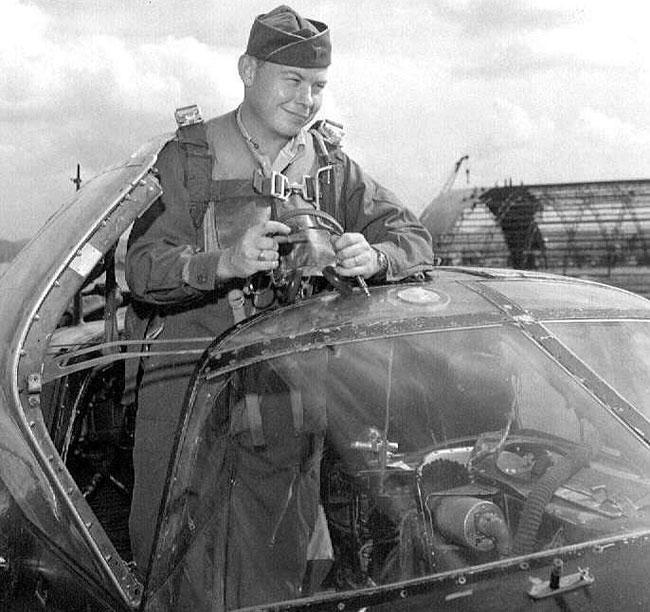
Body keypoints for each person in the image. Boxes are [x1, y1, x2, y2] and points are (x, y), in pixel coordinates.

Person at [124, 3, 435, 603]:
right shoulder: (188, 157)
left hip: (284, 390)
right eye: (292, 81)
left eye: (318, 86)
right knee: (175, 550)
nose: (307, 99)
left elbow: (414, 236)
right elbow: (141, 269)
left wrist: (373, 255)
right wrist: (223, 263)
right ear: (247, 70)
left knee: (278, 550)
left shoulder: (330, 166)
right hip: (188, 386)